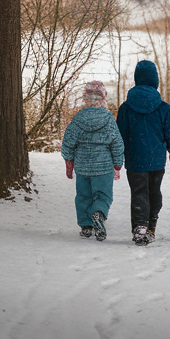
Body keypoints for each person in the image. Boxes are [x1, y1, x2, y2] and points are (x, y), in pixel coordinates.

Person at [116, 60, 170, 245]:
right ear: (155, 80)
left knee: (138, 192)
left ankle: (139, 226)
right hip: (156, 161)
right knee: (154, 192)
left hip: (135, 160)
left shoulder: (126, 108)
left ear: (136, 79)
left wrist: (119, 156)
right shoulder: (163, 108)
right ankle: (151, 225)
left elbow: (120, 135)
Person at [61, 81, 124, 241]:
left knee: (83, 195)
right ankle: (98, 213)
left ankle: (86, 226)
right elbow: (117, 142)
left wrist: (69, 160)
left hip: (82, 167)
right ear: (103, 98)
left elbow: (68, 141)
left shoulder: (79, 118)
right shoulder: (108, 118)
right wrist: (117, 163)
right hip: (103, 167)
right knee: (103, 195)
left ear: (85, 98)